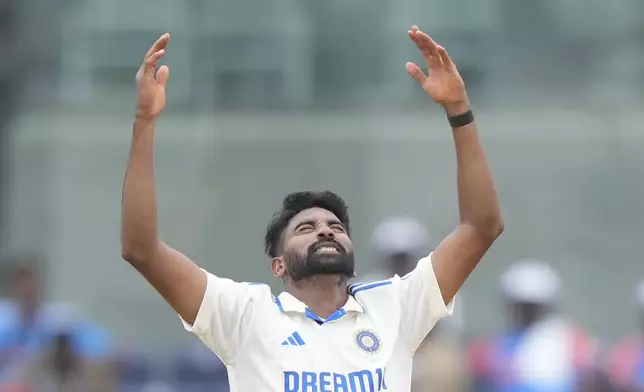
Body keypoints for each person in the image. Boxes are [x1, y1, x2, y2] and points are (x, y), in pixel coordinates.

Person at [121, 26, 503, 391]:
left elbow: (481, 227)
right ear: (279, 265)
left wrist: (459, 109)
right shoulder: (244, 315)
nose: (325, 230)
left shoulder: (395, 306)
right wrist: (144, 121)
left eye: (336, 227)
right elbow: (142, 250)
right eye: (306, 228)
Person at [468, 260, 599, 392]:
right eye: (521, 307)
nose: (526, 312)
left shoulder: (569, 341)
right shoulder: (497, 345)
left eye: (531, 307)